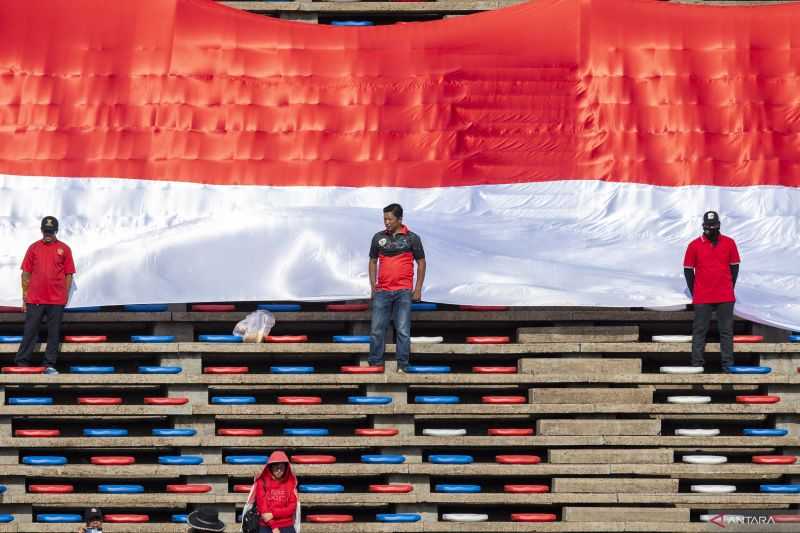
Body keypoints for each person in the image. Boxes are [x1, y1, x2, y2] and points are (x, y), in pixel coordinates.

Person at [367, 203, 426, 372]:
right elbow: (372, 261)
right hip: (383, 290)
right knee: (377, 329)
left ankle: (403, 365)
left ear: (400, 219)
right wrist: (373, 286)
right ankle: (375, 364)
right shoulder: (378, 237)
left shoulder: (412, 238)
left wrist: (418, 288)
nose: (386, 222)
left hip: (403, 291)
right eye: (384, 218)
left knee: (402, 330)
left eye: (390, 219)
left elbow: (421, 262)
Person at [14, 216, 75, 374]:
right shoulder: (33, 248)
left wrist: (65, 294)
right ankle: (22, 363)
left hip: (56, 299)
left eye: (51, 231)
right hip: (35, 298)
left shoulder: (65, 249)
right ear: (41, 230)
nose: (48, 234)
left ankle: (49, 365)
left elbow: (69, 274)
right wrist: (24, 297)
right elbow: (25, 274)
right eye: (46, 231)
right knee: (30, 331)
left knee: (53, 333)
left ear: (56, 231)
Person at [683, 211, 740, 372]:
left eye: (714, 226)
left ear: (719, 225)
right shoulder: (694, 245)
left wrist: (729, 286)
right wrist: (695, 291)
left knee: (726, 331)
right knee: (699, 330)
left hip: (725, 295)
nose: (711, 230)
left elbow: (734, 268)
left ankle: (727, 365)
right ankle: (697, 364)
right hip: (702, 296)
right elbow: (688, 270)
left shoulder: (729, 243)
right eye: (708, 227)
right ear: (703, 227)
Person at [255, 450, 298, 533]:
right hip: (267, 525)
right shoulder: (262, 481)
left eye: (282, 467)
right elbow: (262, 508)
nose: (279, 470)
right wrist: (274, 527)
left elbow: (291, 508)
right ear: (270, 466)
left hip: (286, 525)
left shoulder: (291, 482)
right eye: (276, 466)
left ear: (286, 467)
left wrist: (273, 513)